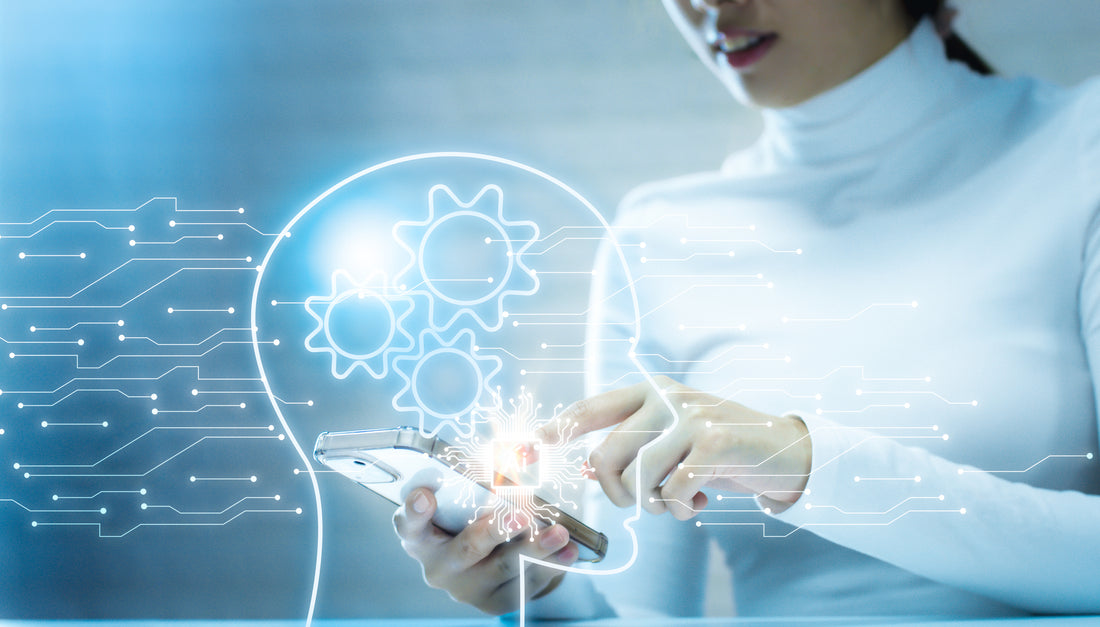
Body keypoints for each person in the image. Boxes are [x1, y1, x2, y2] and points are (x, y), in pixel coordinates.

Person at [394, 0, 1100, 618]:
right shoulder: (656, 236)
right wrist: (543, 588)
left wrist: (802, 460)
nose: (709, 1)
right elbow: (634, 608)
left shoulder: (1079, 147)